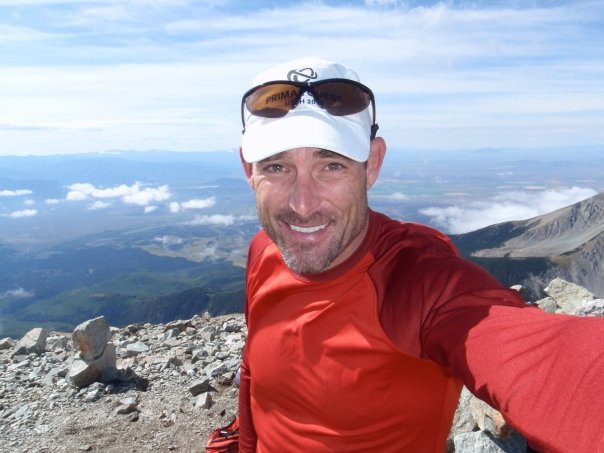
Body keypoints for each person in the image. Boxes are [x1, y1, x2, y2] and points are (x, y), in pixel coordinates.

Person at [236, 57, 603, 452]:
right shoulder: (265, 249)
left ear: (372, 164)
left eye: (332, 165)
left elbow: (548, 362)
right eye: (276, 167)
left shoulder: (420, 282)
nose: (303, 204)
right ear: (248, 169)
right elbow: (254, 374)